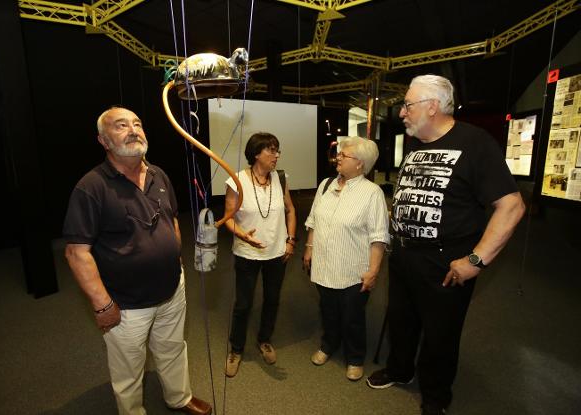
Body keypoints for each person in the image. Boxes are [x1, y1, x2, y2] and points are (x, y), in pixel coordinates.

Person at [365, 75, 526, 415]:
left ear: (432, 107)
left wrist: (476, 260)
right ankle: (400, 369)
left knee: (441, 334)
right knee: (401, 320)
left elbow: (511, 206)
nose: (402, 113)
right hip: (405, 254)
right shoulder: (416, 144)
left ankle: (436, 397)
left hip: (445, 261)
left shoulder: (475, 143)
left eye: (408, 105)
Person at [63, 107, 211, 415]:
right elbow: (77, 253)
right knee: (128, 371)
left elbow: (172, 220)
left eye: (138, 124)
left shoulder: (159, 174)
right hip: (125, 304)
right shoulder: (91, 187)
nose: (133, 130)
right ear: (103, 141)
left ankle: (178, 397)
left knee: (172, 349)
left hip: (172, 290)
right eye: (121, 126)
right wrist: (103, 305)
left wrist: (176, 264)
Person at [302, 136, 390, 381]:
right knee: (328, 310)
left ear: (360, 163)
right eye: (339, 153)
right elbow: (313, 220)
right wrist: (309, 248)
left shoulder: (372, 194)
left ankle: (354, 357)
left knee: (352, 317)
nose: (338, 157)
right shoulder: (326, 185)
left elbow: (379, 237)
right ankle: (329, 344)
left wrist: (373, 271)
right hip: (324, 264)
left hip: (353, 269)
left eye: (344, 155)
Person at [223, 132, 297, 377]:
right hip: (247, 253)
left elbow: (291, 210)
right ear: (256, 153)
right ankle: (236, 349)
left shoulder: (281, 178)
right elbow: (228, 219)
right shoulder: (236, 180)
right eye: (271, 150)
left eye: (278, 150)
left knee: (272, 300)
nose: (276, 155)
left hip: (277, 253)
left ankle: (264, 340)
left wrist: (290, 241)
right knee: (243, 305)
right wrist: (244, 236)